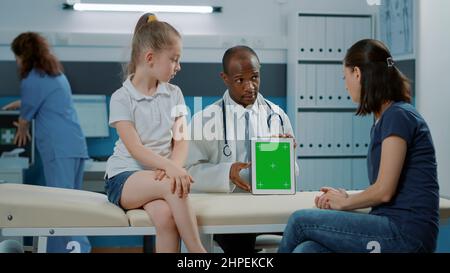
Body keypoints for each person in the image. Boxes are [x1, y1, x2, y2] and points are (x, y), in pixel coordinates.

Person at [278, 39, 439, 253]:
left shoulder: (398, 116)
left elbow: (384, 191)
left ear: (357, 73)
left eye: (345, 77)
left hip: (405, 234)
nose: (345, 85)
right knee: (307, 250)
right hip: (389, 226)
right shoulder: (385, 119)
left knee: (300, 221)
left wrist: (345, 203)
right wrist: (347, 198)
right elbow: (387, 189)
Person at [104, 13, 206, 253]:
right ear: (150, 58)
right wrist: (170, 170)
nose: (178, 67)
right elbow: (135, 149)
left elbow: (180, 140)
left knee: (166, 218)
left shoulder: (175, 94)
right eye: (174, 59)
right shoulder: (122, 97)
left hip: (159, 178)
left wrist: (175, 167)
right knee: (172, 185)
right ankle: (199, 253)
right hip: (124, 179)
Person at [185, 45, 298, 253]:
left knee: (301, 234)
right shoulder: (205, 120)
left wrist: (285, 157)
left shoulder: (277, 116)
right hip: (228, 209)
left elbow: (293, 175)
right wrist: (226, 172)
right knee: (240, 244)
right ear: (225, 78)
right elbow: (188, 173)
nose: (249, 87)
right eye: (240, 80)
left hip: (269, 207)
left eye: (254, 77)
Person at [2, 32, 91, 253]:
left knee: (60, 208)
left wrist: (22, 123)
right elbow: (45, 99)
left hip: (58, 148)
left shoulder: (32, 78)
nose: (16, 61)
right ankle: (75, 249)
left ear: (24, 55)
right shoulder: (55, 74)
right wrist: (22, 104)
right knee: (74, 206)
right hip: (74, 146)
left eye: (17, 56)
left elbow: (25, 118)